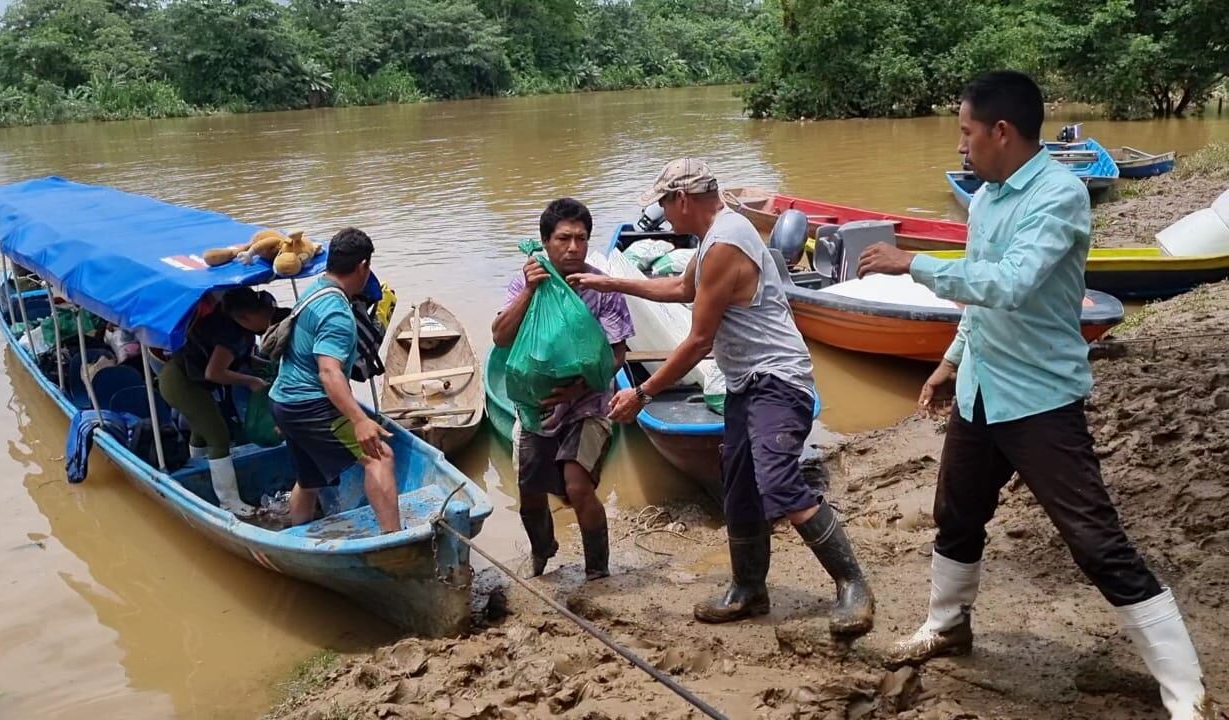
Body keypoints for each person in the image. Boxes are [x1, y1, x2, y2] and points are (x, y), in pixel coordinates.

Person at [857, 71, 1208, 719]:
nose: (959, 145)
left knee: (1095, 541)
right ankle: (948, 624)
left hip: (1040, 397)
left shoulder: (1060, 195)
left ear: (1001, 132)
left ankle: (1187, 690)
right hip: (981, 387)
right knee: (956, 512)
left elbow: (1011, 283)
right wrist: (949, 362)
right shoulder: (986, 199)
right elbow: (981, 299)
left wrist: (914, 263)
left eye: (965, 132)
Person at [569, 160, 875, 637]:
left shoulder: (725, 243)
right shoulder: (715, 235)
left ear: (682, 199)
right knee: (739, 487)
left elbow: (698, 342)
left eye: (664, 204)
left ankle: (853, 585)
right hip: (745, 383)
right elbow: (681, 288)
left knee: (777, 481)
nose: (664, 215)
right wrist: (611, 282)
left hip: (777, 380)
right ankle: (748, 590)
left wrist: (643, 392)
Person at [491, 198, 633, 581]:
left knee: (578, 486)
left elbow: (617, 355)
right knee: (530, 492)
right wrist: (529, 291)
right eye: (563, 239)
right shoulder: (526, 282)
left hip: (587, 404)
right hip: (535, 407)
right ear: (545, 242)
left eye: (581, 239)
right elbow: (501, 338)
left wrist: (575, 390)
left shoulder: (603, 288)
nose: (573, 247)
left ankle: (598, 571)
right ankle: (542, 550)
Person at [269, 228, 400, 531]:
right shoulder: (338, 313)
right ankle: (394, 538)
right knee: (380, 457)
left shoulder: (315, 290)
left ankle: (299, 537)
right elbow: (329, 373)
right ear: (363, 266)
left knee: (309, 480)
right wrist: (360, 420)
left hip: (284, 402)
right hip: (310, 406)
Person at [160, 286, 277, 516]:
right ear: (245, 317)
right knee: (219, 437)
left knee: (201, 428)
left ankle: (199, 472)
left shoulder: (237, 327)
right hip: (182, 383)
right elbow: (214, 372)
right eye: (265, 317)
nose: (269, 322)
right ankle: (230, 502)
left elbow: (239, 359)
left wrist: (267, 366)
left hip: (181, 377)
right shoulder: (230, 334)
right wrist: (251, 381)